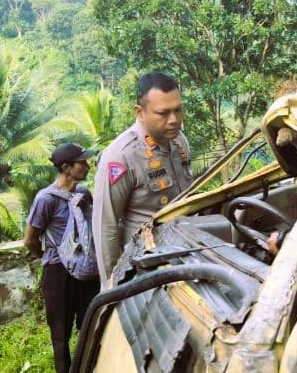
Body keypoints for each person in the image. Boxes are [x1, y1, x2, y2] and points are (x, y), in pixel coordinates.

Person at [93, 71, 193, 286]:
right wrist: (113, 288)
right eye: (163, 113)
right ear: (140, 112)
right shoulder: (120, 157)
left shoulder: (179, 141)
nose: (174, 120)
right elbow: (105, 228)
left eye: (178, 110)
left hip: (187, 256)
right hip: (146, 270)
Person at [23, 142, 99, 373]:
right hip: (58, 273)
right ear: (66, 168)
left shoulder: (83, 194)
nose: (87, 166)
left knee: (92, 324)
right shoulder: (46, 199)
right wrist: (52, 257)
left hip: (86, 269)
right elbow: (30, 239)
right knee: (60, 332)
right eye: (81, 162)